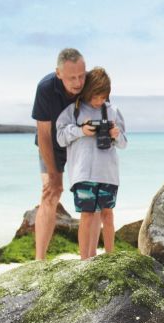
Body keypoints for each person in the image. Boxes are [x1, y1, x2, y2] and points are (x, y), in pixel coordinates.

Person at [56, 67, 127, 260]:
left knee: (108, 215)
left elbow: (124, 144)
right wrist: (81, 131)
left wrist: (115, 135)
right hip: (83, 173)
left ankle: (111, 257)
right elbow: (60, 138)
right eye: (96, 96)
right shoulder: (74, 111)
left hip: (108, 174)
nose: (99, 101)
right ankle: (84, 260)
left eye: (103, 97)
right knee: (86, 215)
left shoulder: (113, 111)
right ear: (88, 92)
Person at [32, 48, 86, 260]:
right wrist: (54, 174)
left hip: (80, 144)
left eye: (81, 75)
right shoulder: (45, 88)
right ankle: (39, 260)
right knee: (50, 192)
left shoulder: (90, 83)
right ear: (59, 73)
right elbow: (43, 134)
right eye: (72, 77)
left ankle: (87, 256)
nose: (78, 82)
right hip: (51, 145)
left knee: (88, 194)